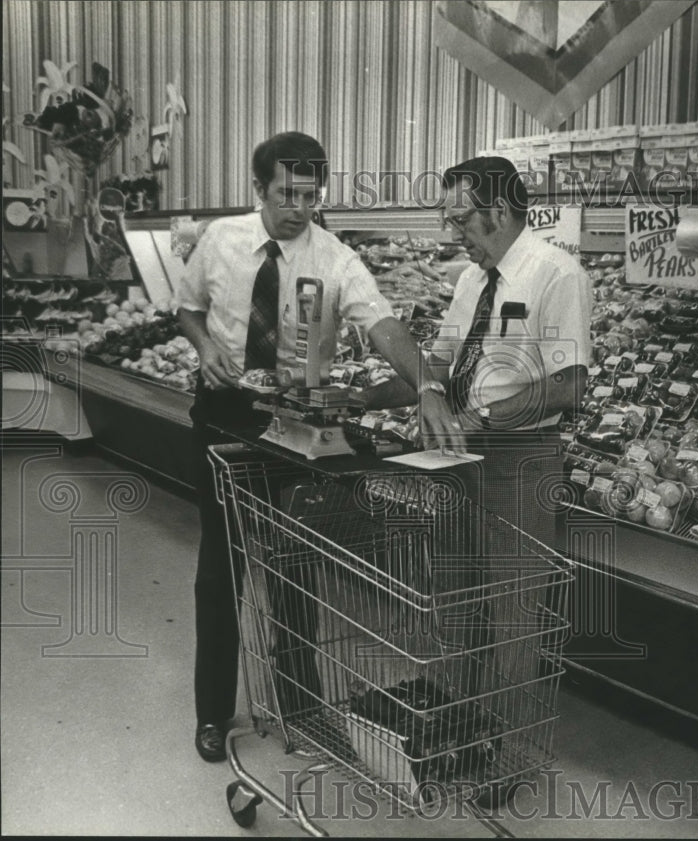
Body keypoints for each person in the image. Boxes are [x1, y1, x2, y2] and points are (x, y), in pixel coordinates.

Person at [176, 131, 463, 763]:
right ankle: (213, 712)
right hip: (223, 415)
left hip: (298, 420)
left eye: (310, 195)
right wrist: (204, 348)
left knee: (295, 566)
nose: (299, 207)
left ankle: (300, 707)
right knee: (221, 569)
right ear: (259, 189)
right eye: (286, 194)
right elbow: (188, 309)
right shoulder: (220, 242)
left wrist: (430, 388)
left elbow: (385, 326)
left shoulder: (335, 257)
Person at [362, 155, 592, 548]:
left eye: (461, 219)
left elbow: (569, 385)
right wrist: (362, 398)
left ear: (499, 212)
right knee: (455, 591)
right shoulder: (471, 279)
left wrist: (479, 417)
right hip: (458, 456)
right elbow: (438, 369)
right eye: (449, 221)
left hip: (520, 461)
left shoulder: (558, 274)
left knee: (510, 594)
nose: (454, 234)